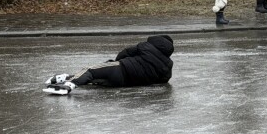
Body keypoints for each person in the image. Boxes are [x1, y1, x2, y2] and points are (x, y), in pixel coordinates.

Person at [43, 35, 174, 95]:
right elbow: (163, 81)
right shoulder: (168, 66)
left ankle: (67, 85)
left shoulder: (146, 46)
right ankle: (65, 77)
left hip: (121, 69)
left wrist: (117, 62)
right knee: (94, 79)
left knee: (91, 71)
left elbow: (126, 52)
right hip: (126, 82)